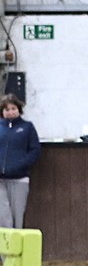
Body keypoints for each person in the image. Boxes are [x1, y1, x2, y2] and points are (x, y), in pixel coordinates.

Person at [0, 94, 40, 228]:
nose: (10, 112)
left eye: (13, 108)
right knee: (3, 217)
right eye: (7, 109)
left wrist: (20, 166)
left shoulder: (27, 127)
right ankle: (5, 249)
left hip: (19, 179)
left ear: (19, 109)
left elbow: (35, 150)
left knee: (17, 217)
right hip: (0, 180)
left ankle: (17, 248)